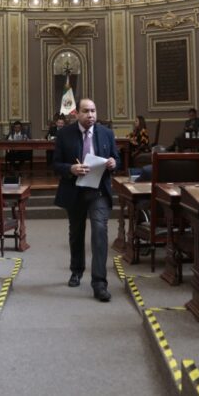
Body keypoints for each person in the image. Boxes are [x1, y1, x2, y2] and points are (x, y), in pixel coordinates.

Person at [52, 98, 120, 302]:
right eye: (86, 111)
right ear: (77, 114)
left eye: (93, 110)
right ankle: (77, 270)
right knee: (76, 232)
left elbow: (117, 158)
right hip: (75, 190)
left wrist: (114, 162)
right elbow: (55, 164)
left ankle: (99, 283)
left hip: (98, 191)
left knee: (100, 231)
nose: (90, 115)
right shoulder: (64, 134)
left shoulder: (106, 133)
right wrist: (70, 169)